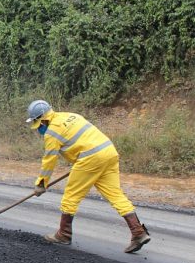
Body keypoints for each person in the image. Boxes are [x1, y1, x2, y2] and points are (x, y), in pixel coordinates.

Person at [26, 100, 151, 253]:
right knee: (116, 195)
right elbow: (81, 139)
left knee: (71, 196)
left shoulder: (52, 132)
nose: (38, 128)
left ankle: (64, 234)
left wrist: (41, 184)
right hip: (108, 152)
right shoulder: (70, 116)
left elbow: (49, 160)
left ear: (41, 120)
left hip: (90, 158)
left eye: (37, 124)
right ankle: (138, 232)